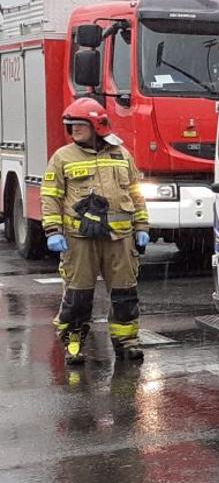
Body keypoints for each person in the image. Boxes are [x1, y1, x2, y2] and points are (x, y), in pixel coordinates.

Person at [43, 97, 150, 365]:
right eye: (71, 125)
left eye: (80, 124)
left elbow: (136, 194)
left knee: (125, 294)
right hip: (80, 240)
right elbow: (51, 196)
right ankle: (74, 344)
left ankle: (127, 343)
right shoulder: (62, 157)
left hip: (120, 239)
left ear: (98, 125)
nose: (74, 129)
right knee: (78, 296)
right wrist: (53, 231)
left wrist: (142, 227)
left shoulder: (121, 155)